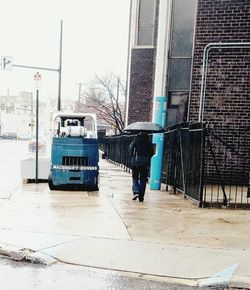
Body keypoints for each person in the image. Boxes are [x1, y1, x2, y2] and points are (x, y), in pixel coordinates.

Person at [128, 132, 154, 202]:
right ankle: (141, 196)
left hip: (135, 162)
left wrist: (133, 157)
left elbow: (130, 150)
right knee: (143, 179)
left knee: (135, 177)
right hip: (145, 163)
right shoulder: (148, 142)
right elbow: (151, 152)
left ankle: (136, 191)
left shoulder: (135, 140)